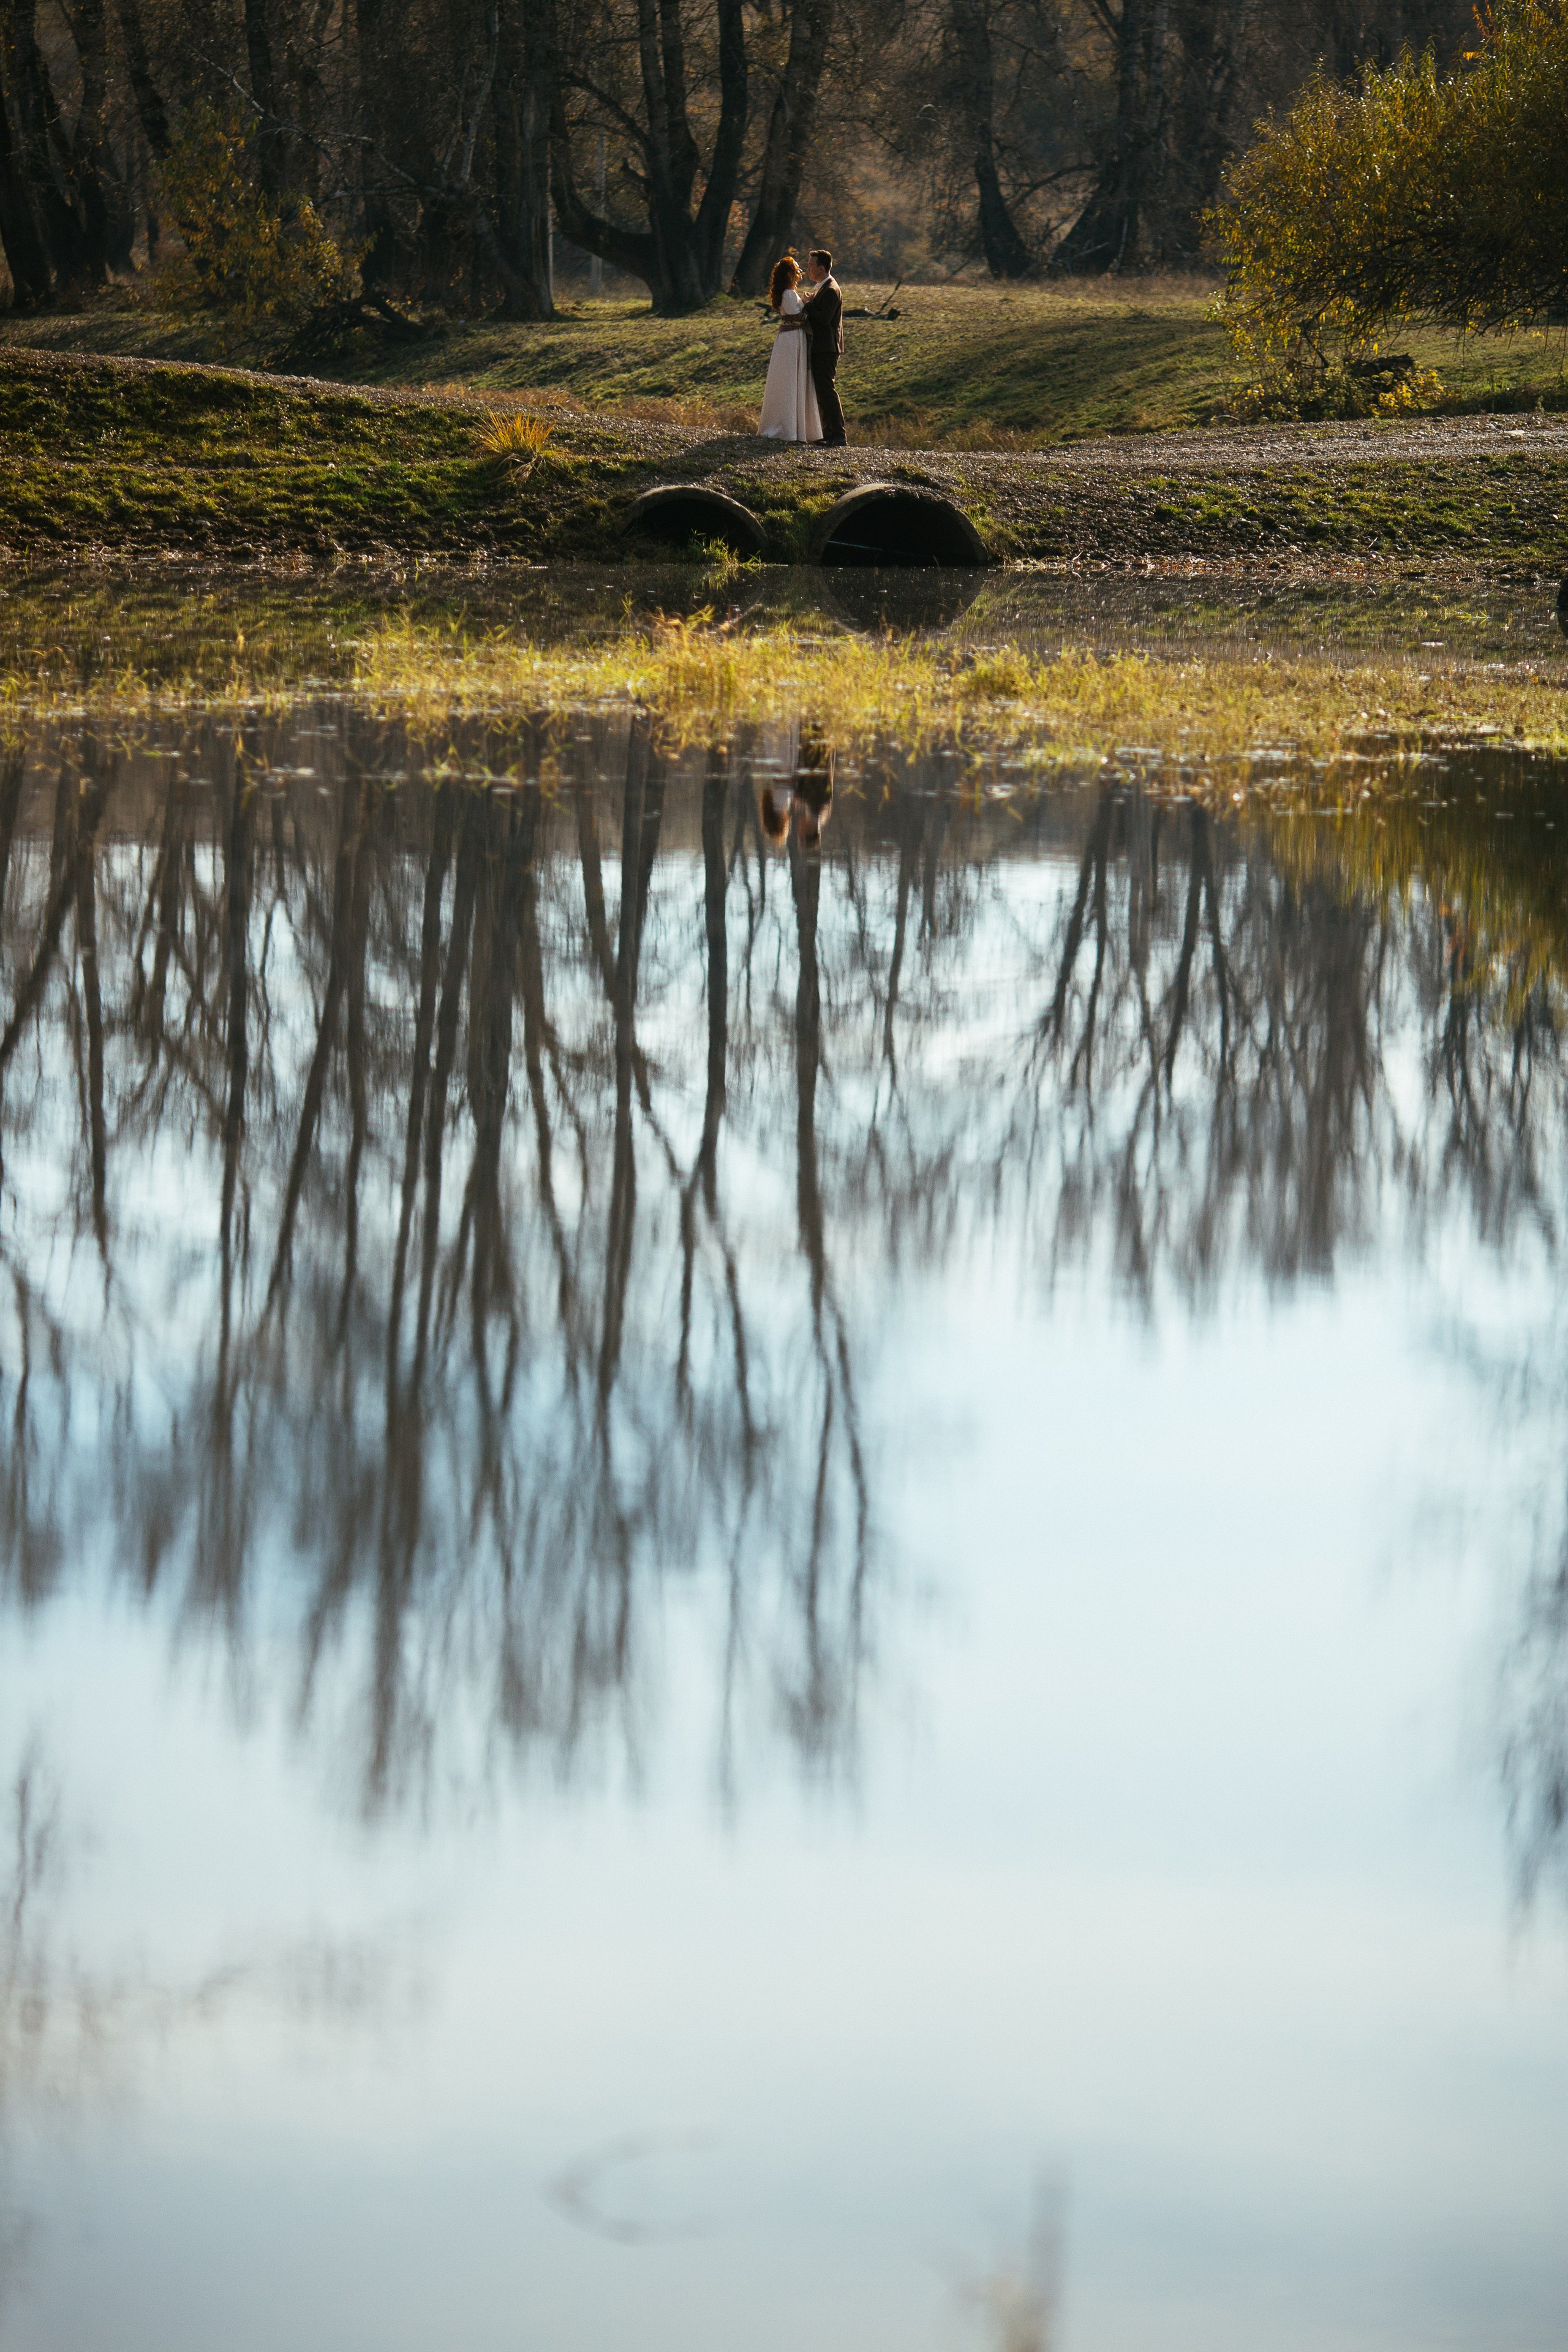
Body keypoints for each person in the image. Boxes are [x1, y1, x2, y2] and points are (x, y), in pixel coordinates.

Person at [758, 255, 822, 444]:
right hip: (792, 339)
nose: (799, 272)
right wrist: (808, 304)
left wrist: (802, 300)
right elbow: (798, 317)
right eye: (795, 269)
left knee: (792, 379)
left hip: (793, 338)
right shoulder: (787, 293)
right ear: (789, 274)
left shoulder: (788, 293)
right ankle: (787, 427)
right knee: (790, 379)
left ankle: (794, 426)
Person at [788, 249, 846, 449]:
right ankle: (829, 432)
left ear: (822, 268)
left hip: (827, 347)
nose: (809, 269)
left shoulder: (830, 289)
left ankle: (839, 435)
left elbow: (824, 319)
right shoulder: (823, 287)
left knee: (827, 390)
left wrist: (808, 304)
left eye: (812, 266)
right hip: (822, 347)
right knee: (821, 391)